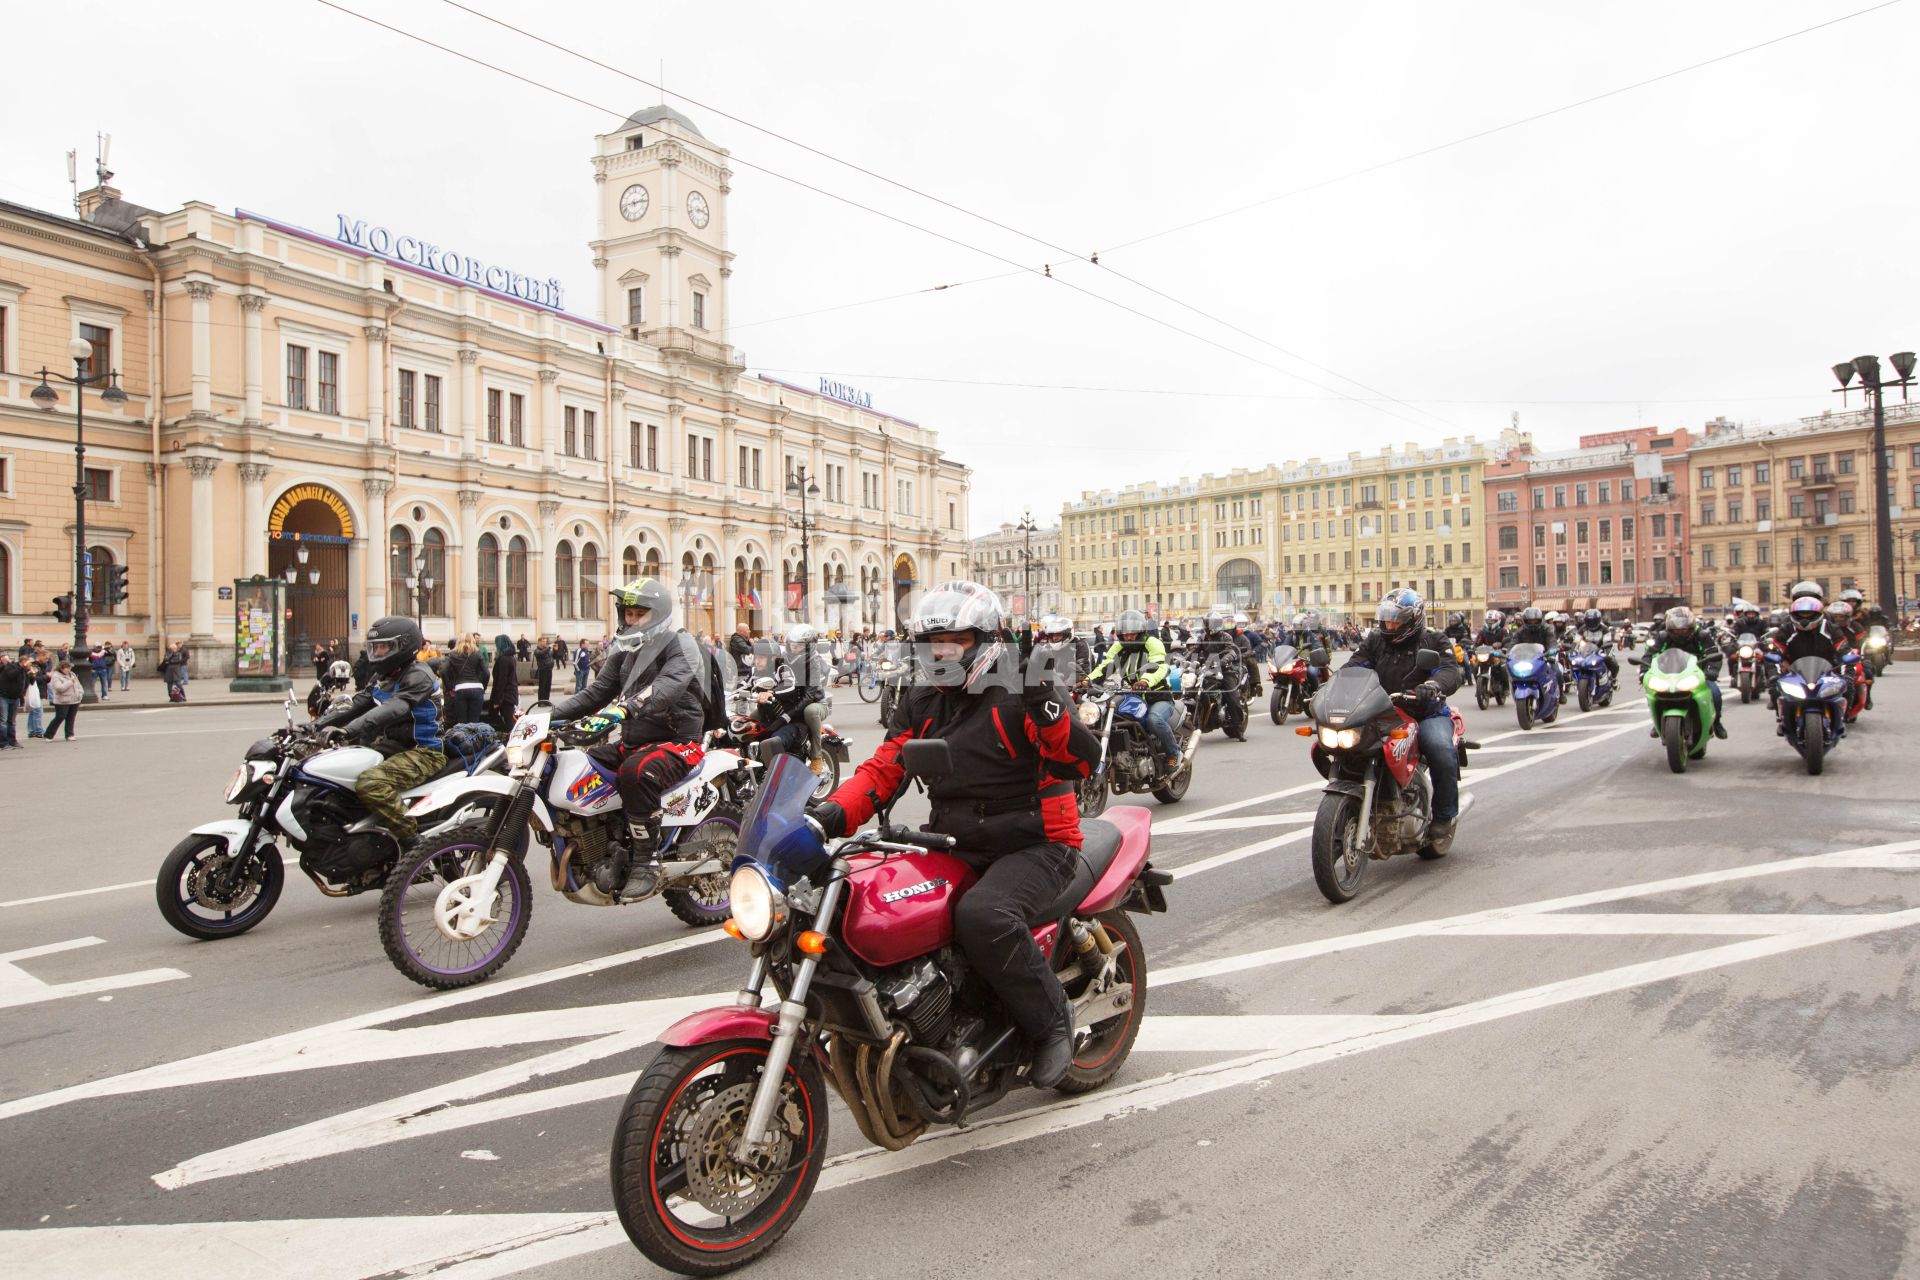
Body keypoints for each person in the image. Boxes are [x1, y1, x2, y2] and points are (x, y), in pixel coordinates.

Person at [809, 580, 1098, 1090]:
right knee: (866, 900)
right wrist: (826, 816)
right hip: (952, 842)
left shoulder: (1023, 689)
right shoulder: (922, 701)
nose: (942, 652)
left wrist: (1048, 707)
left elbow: (1079, 759)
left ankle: (1052, 1023)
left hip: (1037, 843)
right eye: (933, 643)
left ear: (985, 640)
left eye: (956, 641)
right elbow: (882, 770)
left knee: (984, 915)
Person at [549, 578, 707, 896]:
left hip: (678, 742)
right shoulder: (626, 649)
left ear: (658, 614)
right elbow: (596, 692)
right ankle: (606, 837)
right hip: (634, 741)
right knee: (576, 764)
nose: (632, 620)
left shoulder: (680, 644)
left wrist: (626, 709)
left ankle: (645, 862)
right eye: (628, 614)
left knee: (637, 772)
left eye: (640, 614)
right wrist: (547, 716)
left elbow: (666, 688)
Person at [1345, 588, 1464, 848]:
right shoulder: (1376, 641)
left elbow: (1449, 671)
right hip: (1382, 713)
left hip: (1425, 712)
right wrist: (1330, 685)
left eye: (1396, 619)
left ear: (1413, 619)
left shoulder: (1434, 640)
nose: (1390, 624)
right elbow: (1354, 666)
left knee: (1440, 749)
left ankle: (1445, 816)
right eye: (1387, 618)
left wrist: (1432, 686)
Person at [313, 616, 445, 844]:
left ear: (403, 646)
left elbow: (394, 708)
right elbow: (358, 703)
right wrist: (315, 725)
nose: (379, 652)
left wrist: (347, 731)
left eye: (384, 647)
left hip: (424, 752)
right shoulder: (384, 676)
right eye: (375, 647)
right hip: (391, 748)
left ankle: (413, 842)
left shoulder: (418, 676)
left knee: (370, 783)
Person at [1086, 609, 1182, 770]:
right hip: (1132, 697)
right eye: (1125, 634)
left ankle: (1174, 753)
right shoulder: (1118, 647)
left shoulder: (1152, 642)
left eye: (1133, 634)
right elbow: (1104, 666)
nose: (1129, 637)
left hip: (1157, 698)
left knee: (1154, 719)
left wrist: (1145, 680)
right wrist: (1087, 681)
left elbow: (1158, 666)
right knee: (1110, 717)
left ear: (1141, 632)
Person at [752, 622, 833, 772]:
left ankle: (816, 755)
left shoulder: (814, 662)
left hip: (815, 702)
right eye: (792, 644)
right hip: (791, 700)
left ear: (809, 646)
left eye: (799, 645)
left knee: (810, 712)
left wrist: (786, 717)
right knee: (752, 718)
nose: (794, 648)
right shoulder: (784, 658)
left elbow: (808, 696)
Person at [1644, 606, 1727, 739]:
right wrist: (1644, 671)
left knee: (1715, 693)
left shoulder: (1702, 636)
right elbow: (1650, 655)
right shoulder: (1663, 637)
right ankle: (1658, 721)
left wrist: (1711, 672)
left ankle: (1717, 723)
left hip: (1698, 675)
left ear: (1691, 626)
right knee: (1653, 693)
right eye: (1676, 629)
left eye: (1683, 628)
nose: (1680, 632)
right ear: (1670, 628)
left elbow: (1713, 654)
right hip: (1668, 675)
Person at [1188, 611, 1249, 740]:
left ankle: (1238, 729)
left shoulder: (1226, 637)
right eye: (1206, 623)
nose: (1207, 626)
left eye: (1209, 623)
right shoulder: (1203, 637)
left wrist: (1222, 662)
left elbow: (1230, 652)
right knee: (1191, 689)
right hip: (1208, 670)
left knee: (1232, 697)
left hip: (1225, 671)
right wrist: (1184, 660)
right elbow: (1195, 650)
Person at [442, 633, 490, 727]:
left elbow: (443, 671)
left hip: (460, 688)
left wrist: (450, 688)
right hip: (477, 688)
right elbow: (487, 673)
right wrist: (483, 687)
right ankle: (473, 740)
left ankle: (463, 740)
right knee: (474, 723)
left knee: (462, 723)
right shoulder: (477, 653)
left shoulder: (453, 654)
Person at [1036, 614, 1090, 683]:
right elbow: (1039, 669)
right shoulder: (1047, 647)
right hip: (1053, 688)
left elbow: (1084, 671)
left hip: (1075, 688)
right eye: (1052, 635)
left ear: (1067, 634)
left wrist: (1069, 684)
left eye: (1058, 634)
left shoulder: (1080, 645)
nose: (1055, 638)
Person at [486, 632, 520, 731]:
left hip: (506, 696)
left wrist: (497, 701)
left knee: (508, 722)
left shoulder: (503, 659)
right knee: (508, 721)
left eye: (496, 644)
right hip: (510, 694)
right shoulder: (511, 658)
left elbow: (501, 681)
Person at [44, 661, 85, 740]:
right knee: (60, 717)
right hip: (62, 701)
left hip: (74, 699)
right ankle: (49, 734)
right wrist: (70, 682)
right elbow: (59, 688)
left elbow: (78, 685)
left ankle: (69, 734)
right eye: (67, 668)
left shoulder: (72, 674)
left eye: (69, 668)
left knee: (71, 717)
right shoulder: (56, 676)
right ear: (61, 668)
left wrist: (80, 693)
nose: (68, 669)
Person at [0, 653, 24, 749]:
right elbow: (10, 675)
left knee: (12, 721)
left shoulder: (18, 669)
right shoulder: (7, 668)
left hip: (15, 697)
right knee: (3, 721)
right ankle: (3, 743)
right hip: (4, 696)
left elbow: (23, 682)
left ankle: (12, 740)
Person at [534, 637, 556, 702]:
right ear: (539, 642)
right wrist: (548, 648)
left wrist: (555, 650)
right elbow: (541, 654)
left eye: (545, 641)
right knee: (542, 686)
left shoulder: (546, 649)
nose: (545, 642)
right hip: (543, 669)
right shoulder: (537, 650)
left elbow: (552, 656)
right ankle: (541, 701)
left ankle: (546, 700)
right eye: (543, 641)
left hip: (549, 669)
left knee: (548, 686)